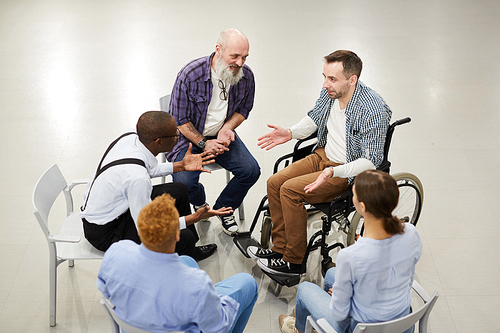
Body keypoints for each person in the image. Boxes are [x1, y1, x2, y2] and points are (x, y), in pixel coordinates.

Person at [249, 50, 392, 275]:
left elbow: (371, 161)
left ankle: (294, 262)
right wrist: (290, 132)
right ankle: (280, 248)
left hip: (345, 171)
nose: (325, 84)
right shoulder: (332, 92)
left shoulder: (372, 109)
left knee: (289, 191)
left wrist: (334, 172)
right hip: (322, 155)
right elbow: (315, 118)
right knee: (275, 182)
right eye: (324, 76)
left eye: (332, 78)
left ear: (352, 80)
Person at [278, 170, 422, 333]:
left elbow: (340, 313)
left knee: (305, 290)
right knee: (332, 273)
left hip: (362, 328)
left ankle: (300, 328)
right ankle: (315, 321)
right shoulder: (410, 232)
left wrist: (344, 299)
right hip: (402, 322)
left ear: (362, 207)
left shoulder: (352, 256)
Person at [81, 111, 232, 261]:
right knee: (183, 237)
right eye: (175, 135)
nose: (178, 136)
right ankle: (181, 262)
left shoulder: (131, 137)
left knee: (178, 190)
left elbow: (148, 168)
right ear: (159, 142)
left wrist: (181, 165)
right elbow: (146, 228)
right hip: (106, 233)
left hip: (119, 207)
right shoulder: (137, 179)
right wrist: (192, 218)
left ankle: (189, 251)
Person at [97, 194, 259, 333]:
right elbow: (218, 327)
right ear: (177, 235)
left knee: (186, 261)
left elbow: (106, 292)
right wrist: (213, 299)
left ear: (139, 231)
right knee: (248, 283)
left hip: (133, 325)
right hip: (183, 318)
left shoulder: (116, 252)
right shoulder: (197, 284)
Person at [167, 28, 261, 236]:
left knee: (251, 171)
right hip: (187, 138)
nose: (240, 63)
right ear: (218, 50)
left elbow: (243, 110)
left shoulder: (246, 77)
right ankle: (200, 204)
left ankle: (223, 209)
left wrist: (227, 128)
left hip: (220, 134)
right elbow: (180, 121)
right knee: (184, 183)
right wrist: (204, 143)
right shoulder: (190, 75)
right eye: (234, 56)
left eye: (244, 57)